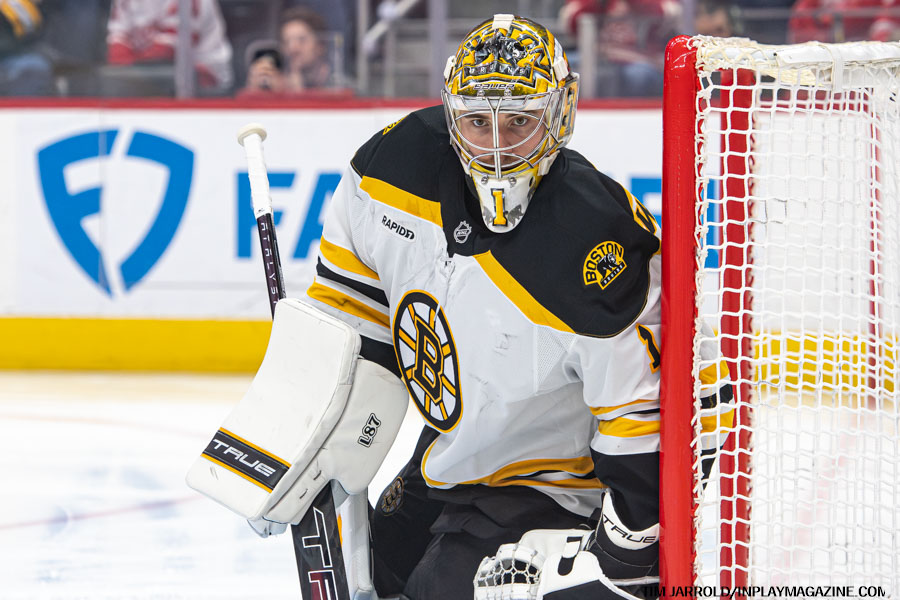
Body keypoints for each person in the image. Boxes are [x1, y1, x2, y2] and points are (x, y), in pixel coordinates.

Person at [298, 14, 734, 599]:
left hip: (558, 485)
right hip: (452, 455)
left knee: (434, 590)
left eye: (519, 121)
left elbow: (655, 411)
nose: (497, 148)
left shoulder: (595, 240)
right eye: (478, 121)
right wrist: (303, 437)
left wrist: (625, 549)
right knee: (365, 571)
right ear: (452, 115)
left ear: (560, 114)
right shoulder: (390, 169)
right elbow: (351, 318)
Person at [106, 0, 233, 92]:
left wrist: (128, 70)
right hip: (149, 79)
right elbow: (116, 48)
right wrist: (125, 70)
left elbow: (164, 53)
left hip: (208, 84)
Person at [789, 0, 900, 43]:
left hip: (865, 59)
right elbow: (799, 35)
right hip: (819, 64)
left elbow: (884, 23)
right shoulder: (807, 5)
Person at [278, 5, 333, 91]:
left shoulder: (340, 86)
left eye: (302, 40)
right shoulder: (280, 87)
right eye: (286, 42)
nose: (292, 48)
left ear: (320, 45)